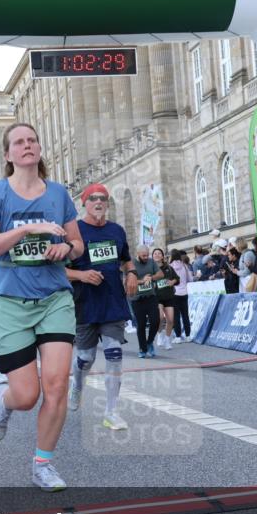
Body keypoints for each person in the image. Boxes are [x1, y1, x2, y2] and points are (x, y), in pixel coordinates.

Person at [0, 122, 83, 492]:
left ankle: (43, 464)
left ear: (39, 148)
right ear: (8, 155)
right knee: (27, 395)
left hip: (54, 296)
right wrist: (26, 231)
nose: (27, 145)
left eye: (33, 140)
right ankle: (4, 401)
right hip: (10, 300)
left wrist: (65, 249)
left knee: (56, 386)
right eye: (19, 142)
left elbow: (78, 244)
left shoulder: (57, 193)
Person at [65, 183, 138, 431]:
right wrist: (82, 276)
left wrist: (131, 274)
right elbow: (57, 271)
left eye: (103, 199)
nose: (98, 202)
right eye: (93, 198)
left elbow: (127, 259)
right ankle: (77, 385)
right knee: (85, 357)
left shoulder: (116, 231)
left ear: (107, 203)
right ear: (84, 203)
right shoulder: (74, 232)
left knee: (114, 354)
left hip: (113, 302)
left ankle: (111, 411)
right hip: (84, 304)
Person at [129, 245, 164, 358]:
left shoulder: (151, 262)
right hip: (137, 299)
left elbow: (161, 274)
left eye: (147, 255)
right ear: (137, 254)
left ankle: (149, 342)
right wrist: (141, 281)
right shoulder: (131, 264)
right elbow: (127, 281)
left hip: (150, 297)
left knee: (156, 321)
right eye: (143, 255)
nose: (146, 257)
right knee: (141, 325)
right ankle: (142, 349)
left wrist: (152, 278)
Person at [152, 247, 179, 349]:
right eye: (155, 253)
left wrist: (173, 282)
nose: (157, 255)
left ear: (162, 256)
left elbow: (177, 278)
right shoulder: (151, 268)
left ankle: (167, 340)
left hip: (168, 297)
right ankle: (160, 334)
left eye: (159, 253)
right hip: (156, 297)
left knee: (171, 320)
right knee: (160, 318)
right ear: (152, 256)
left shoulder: (169, 268)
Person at [170, 249, 194, 342]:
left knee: (176, 316)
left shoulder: (170, 266)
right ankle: (188, 336)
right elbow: (190, 279)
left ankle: (178, 337)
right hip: (184, 293)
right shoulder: (184, 265)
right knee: (185, 315)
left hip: (175, 293)